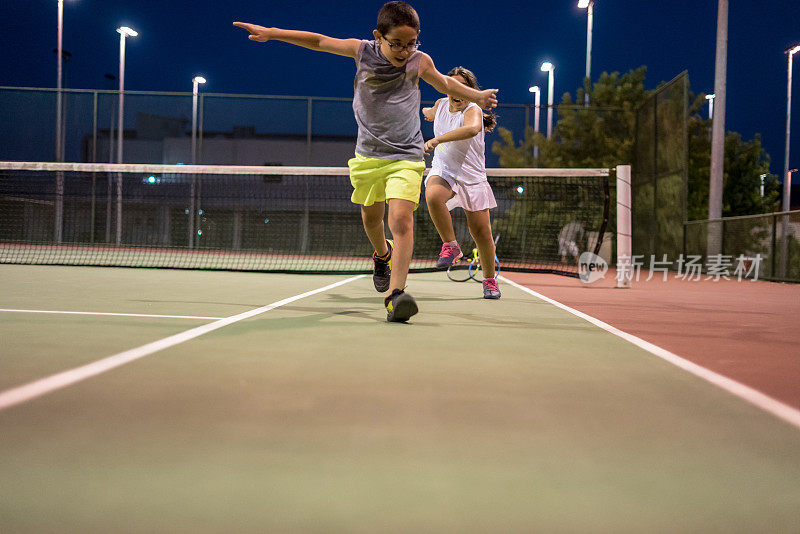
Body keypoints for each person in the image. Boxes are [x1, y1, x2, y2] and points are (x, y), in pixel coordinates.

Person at [234, 1, 498, 322]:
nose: (403, 50)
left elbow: (445, 83)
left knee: (401, 219)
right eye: (396, 43)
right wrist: (273, 33)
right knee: (372, 219)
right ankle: (381, 254)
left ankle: (396, 296)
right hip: (368, 156)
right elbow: (318, 41)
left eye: (410, 43)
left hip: (406, 156)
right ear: (378, 36)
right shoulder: (362, 51)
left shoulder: (418, 61)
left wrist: (478, 97)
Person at [422, 67, 501, 299]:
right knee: (433, 195)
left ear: (469, 90)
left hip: (472, 176)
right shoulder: (440, 104)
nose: (456, 91)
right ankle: (451, 245)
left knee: (482, 233)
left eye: (462, 86)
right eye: (451, 85)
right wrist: (425, 111)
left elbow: (472, 129)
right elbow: (430, 111)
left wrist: (436, 139)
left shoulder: (473, 109)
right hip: (444, 169)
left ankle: (489, 281)